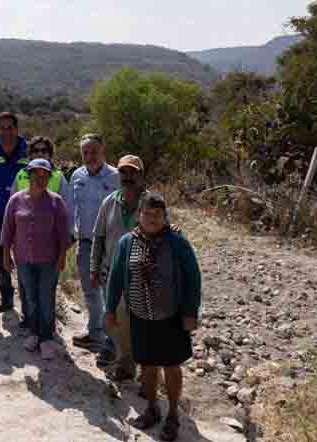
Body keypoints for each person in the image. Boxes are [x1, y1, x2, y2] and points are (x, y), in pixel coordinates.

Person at [105, 192, 201, 442]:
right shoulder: (127, 242)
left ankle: (173, 415)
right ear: (139, 216)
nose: (151, 219)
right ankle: (152, 408)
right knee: (147, 366)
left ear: (164, 217)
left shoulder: (177, 242)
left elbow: (193, 277)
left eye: (157, 215)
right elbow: (115, 277)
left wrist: (191, 313)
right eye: (147, 214)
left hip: (171, 318)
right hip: (139, 317)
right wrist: (109, 310)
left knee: (171, 366)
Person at [0, 158, 71, 360]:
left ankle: (47, 338)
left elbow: (63, 235)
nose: (40, 179)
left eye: (44, 175)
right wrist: (6, 256)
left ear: (49, 177)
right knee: (30, 298)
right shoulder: (15, 200)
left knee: (46, 299)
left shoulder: (56, 202)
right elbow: (7, 231)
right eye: (36, 175)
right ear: (28, 175)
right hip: (23, 260)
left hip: (48, 261)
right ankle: (33, 333)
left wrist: (62, 258)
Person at [90, 154, 144, 379]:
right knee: (115, 324)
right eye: (123, 172)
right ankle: (125, 367)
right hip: (112, 274)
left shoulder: (151, 203)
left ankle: (146, 374)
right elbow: (98, 237)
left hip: (142, 276)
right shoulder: (109, 202)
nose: (128, 177)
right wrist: (94, 268)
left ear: (141, 175)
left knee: (142, 326)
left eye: (133, 172)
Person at [69, 134, 120, 353]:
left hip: (110, 246)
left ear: (103, 151)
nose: (90, 156)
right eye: (85, 153)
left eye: (94, 151)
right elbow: (72, 208)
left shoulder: (116, 176)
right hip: (86, 243)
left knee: (111, 294)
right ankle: (95, 334)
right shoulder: (77, 175)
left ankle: (113, 343)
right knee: (90, 292)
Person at [0, 112, 28, 315]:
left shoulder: (29, 152)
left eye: (11, 127)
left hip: (24, 218)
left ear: (17, 129)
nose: (7, 132)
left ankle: (28, 304)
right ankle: (7, 299)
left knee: (25, 261)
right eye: (3, 128)